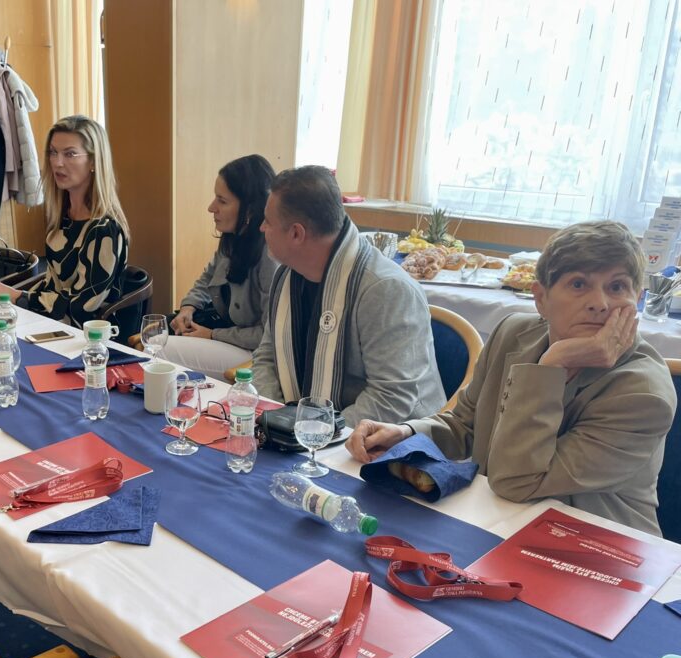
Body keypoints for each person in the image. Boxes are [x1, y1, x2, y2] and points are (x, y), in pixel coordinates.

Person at [346, 220, 677, 535]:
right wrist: (405, 432)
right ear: (541, 298)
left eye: (617, 287)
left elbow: (517, 481)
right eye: (579, 284)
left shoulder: (643, 394)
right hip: (500, 520)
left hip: (595, 546)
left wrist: (550, 367)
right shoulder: (513, 333)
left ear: (637, 298)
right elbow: (465, 425)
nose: (600, 304)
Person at [251, 165, 445, 425]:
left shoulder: (386, 290)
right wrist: (277, 418)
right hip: (310, 430)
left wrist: (313, 432)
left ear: (296, 233)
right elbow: (267, 355)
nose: (261, 228)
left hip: (390, 437)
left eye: (268, 221)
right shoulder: (287, 275)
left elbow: (391, 398)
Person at [0, 115, 129, 328]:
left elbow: (82, 308)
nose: (57, 163)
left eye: (70, 154)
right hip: (51, 325)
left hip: (86, 337)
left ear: (94, 161)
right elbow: (52, 285)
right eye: (53, 152)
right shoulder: (63, 218)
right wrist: (13, 295)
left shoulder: (105, 230)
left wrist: (18, 296)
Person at [160, 155, 278, 379]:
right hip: (226, 334)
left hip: (255, 354)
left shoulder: (270, 257)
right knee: (154, 340)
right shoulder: (233, 238)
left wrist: (213, 334)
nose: (211, 207)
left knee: (158, 349)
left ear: (250, 209)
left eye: (222, 201)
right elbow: (207, 278)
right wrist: (188, 308)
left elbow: (268, 336)